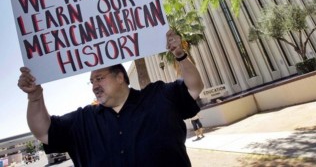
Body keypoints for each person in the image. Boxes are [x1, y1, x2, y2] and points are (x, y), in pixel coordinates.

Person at [17, 29, 204, 167]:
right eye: (91, 81)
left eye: (99, 78)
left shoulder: (159, 96)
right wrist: (34, 97)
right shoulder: (82, 120)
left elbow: (194, 87)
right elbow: (43, 132)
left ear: (120, 77)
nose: (94, 86)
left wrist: (179, 55)